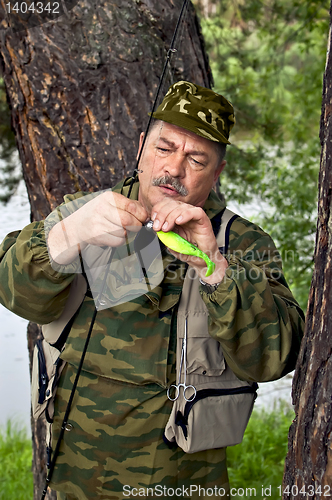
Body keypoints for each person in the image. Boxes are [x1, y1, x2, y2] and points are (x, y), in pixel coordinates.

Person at [0, 81, 304, 499]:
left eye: (196, 159)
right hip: (73, 481)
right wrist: (67, 235)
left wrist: (214, 266)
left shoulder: (244, 244)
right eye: (164, 148)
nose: (175, 169)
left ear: (217, 173)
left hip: (182, 484)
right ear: (142, 147)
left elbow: (274, 358)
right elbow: (15, 294)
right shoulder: (85, 213)